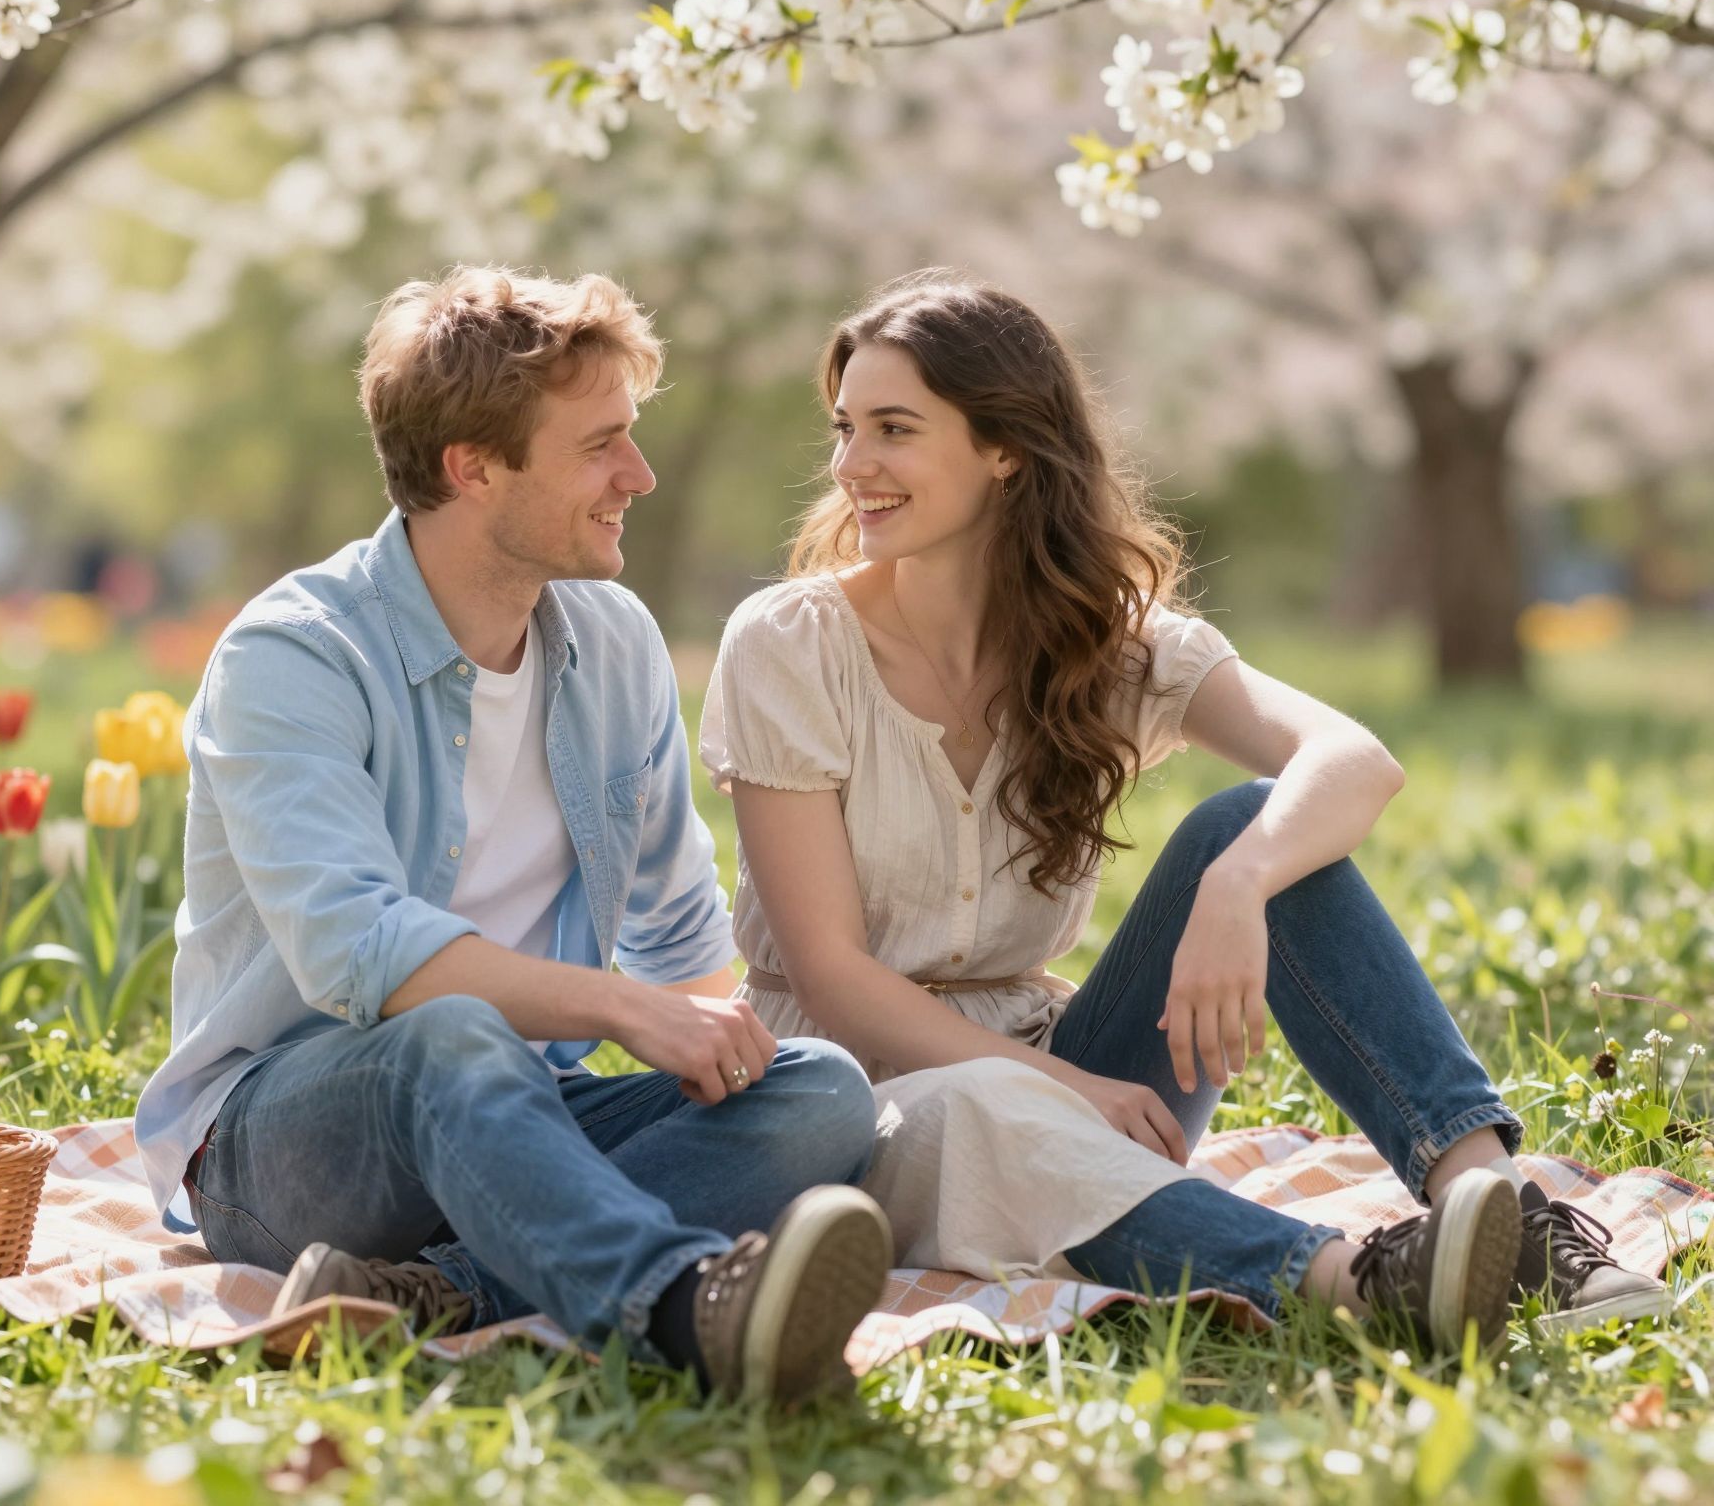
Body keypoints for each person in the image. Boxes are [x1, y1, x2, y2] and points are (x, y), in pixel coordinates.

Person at [698, 270, 1670, 1348]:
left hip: (1052, 1054)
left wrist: (1237, 884)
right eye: (844, 429)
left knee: (1250, 823)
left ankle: (1496, 1209)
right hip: (858, 1095)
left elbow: (1350, 760)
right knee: (988, 1107)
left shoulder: (1098, 640)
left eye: (893, 428)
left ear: (1004, 448)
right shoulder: (789, 643)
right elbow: (834, 981)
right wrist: (1066, 1085)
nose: (850, 467)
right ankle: (1356, 1282)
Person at [135, 267, 893, 1406]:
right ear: (472, 466)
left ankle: (430, 1292)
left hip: (514, 1117)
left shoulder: (613, 640)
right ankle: (687, 1311)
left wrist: (715, 1049)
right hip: (284, 1140)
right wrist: (624, 1012)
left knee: (819, 1090)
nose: (635, 477)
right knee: (451, 1033)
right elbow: (362, 954)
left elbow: (674, 923)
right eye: (599, 446)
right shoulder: (292, 656)